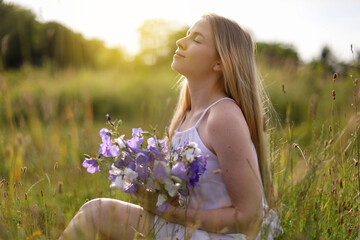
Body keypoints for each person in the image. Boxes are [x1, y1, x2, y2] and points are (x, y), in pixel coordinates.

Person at [59, 13, 282, 240]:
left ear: (220, 62)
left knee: (96, 213)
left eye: (196, 39)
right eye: (187, 35)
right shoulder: (186, 115)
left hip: (222, 236)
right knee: (98, 215)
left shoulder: (223, 117)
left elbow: (250, 217)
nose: (180, 42)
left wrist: (171, 212)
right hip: (192, 229)